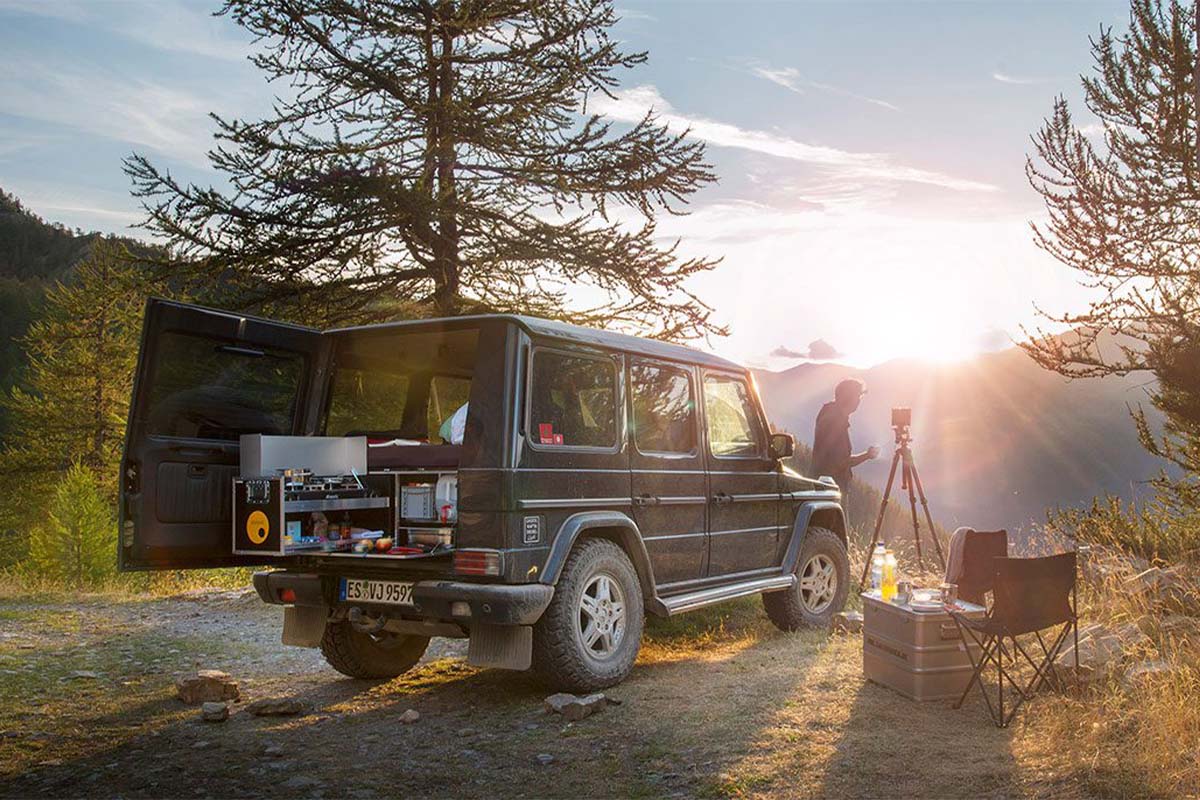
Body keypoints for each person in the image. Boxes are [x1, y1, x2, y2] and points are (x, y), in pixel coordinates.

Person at [811, 378, 879, 490]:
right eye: (857, 396)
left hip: (825, 488)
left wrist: (867, 455)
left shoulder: (830, 415)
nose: (859, 401)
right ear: (848, 397)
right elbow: (840, 462)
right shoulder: (834, 422)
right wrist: (867, 455)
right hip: (831, 490)